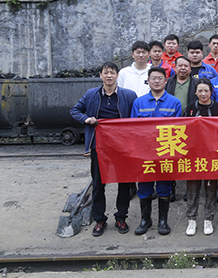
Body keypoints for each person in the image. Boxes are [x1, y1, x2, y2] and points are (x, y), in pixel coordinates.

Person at [70, 62, 137, 236]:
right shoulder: (91, 94)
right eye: (106, 73)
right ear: (100, 75)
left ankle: (121, 217)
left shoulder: (129, 95)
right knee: (99, 184)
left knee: (125, 183)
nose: (109, 76)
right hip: (99, 146)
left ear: (117, 76)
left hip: (122, 147)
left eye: (112, 73)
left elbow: (137, 118)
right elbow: (75, 110)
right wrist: (86, 119)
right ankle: (99, 219)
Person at [131, 67, 183, 236]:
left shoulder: (174, 102)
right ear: (148, 81)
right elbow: (132, 129)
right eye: (153, 78)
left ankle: (163, 221)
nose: (157, 81)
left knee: (164, 188)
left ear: (166, 81)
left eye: (160, 78)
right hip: (144, 154)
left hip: (165, 153)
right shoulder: (139, 103)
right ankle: (145, 220)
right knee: (144, 187)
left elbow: (178, 129)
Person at [183, 78, 218, 236]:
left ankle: (208, 218)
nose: (203, 94)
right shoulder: (190, 108)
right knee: (192, 189)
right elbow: (183, 130)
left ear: (211, 92)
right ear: (195, 92)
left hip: (212, 154)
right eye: (200, 91)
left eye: (206, 90)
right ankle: (191, 219)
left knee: (211, 188)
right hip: (193, 155)